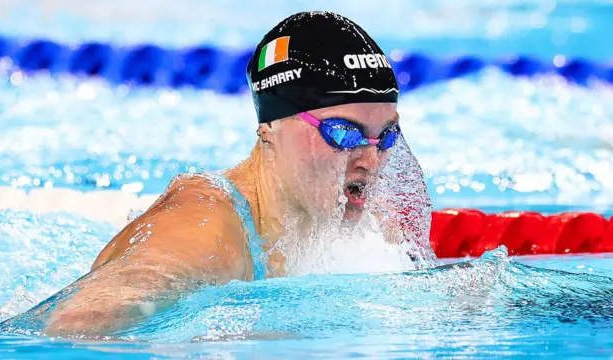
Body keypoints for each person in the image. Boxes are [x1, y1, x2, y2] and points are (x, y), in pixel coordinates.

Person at [35, 11, 406, 338]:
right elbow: (78, 324)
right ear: (270, 128)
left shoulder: (347, 221)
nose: (371, 161)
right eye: (342, 133)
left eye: (386, 136)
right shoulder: (208, 228)